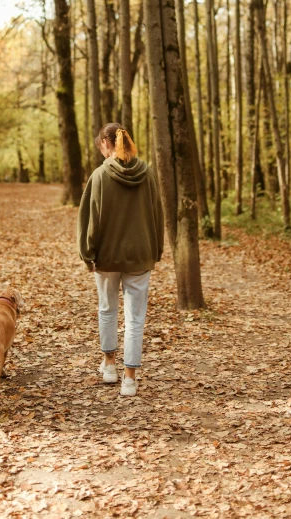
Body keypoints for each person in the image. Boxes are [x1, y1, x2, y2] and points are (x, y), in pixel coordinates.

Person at [77, 122, 164, 397]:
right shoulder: (147, 173)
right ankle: (129, 379)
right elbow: (157, 213)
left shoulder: (100, 176)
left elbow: (88, 219)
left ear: (106, 143)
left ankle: (110, 365)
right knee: (135, 319)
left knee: (107, 310)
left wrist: (87, 253)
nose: (102, 153)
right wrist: (156, 249)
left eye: (100, 147)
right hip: (140, 255)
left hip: (107, 256)